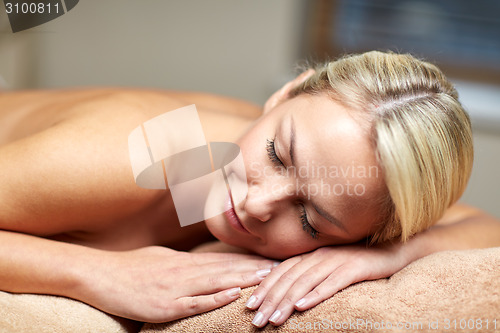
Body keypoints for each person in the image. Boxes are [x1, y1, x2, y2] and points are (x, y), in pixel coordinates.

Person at [0, 51, 499, 328]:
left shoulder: (362, 191)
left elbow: (484, 227)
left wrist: (384, 258)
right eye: (277, 154)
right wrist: (96, 273)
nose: (255, 203)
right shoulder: (137, 156)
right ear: (285, 93)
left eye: (309, 219)